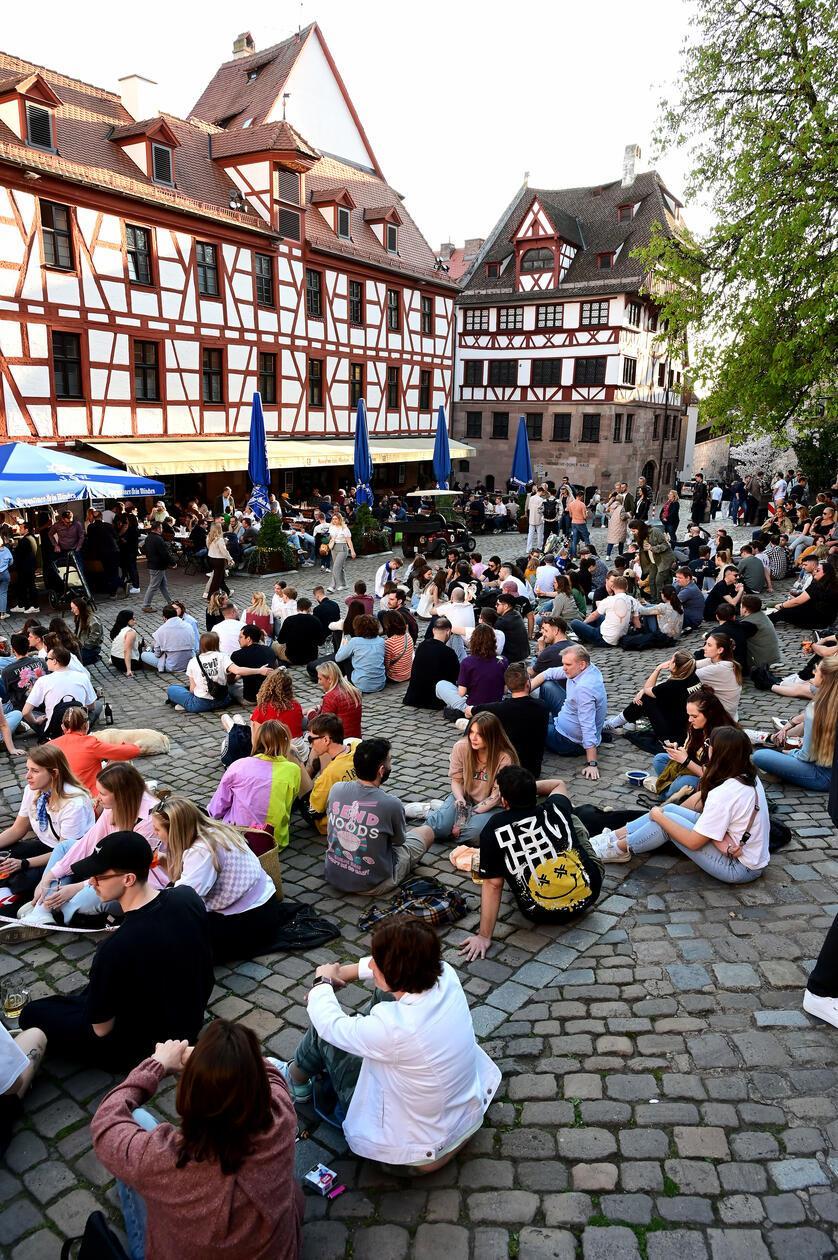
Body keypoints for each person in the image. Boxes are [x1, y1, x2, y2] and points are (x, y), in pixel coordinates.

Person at [278, 918, 500, 1171]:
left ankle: (295, 1079)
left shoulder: (395, 1029)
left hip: (413, 1157)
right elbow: (384, 970)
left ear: (395, 972)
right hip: (464, 1122)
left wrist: (321, 985)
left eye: (377, 963)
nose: (371, 965)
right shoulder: (443, 973)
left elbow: (329, 1025)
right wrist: (344, 973)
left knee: (325, 1033)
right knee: (382, 998)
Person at [92, 1021, 303, 1260]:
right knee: (292, 1188)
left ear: (189, 1094)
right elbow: (269, 1073)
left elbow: (106, 1122)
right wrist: (221, 1061)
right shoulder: (281, 1115)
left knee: (136, 1117)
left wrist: (157, 1065)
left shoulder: (163, 1159)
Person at [20, 832, 213, 1069]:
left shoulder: (115, 948)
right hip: (189, 1019)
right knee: (87, 995)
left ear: (128, 879)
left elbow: (101, 1030)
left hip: (146, 1045)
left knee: (32, 1013)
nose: (91, 881)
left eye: (99, 877)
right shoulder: (187, 896)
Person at [591, 728, 770, 884]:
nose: (705, 748)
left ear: (717, 753)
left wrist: (657, 815)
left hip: (739, 867)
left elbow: (693, 843)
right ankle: (612, 837)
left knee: (664, 822)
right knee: (669, 810)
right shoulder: (749, 776)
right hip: (742, 850)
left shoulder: (724, 793)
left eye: (708, 745)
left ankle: (619, 849)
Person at [459, 769, 604, 960]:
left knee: (504, 861)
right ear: (533, 793)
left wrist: (484, 936)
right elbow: (558, 783)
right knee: (571, 818)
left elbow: (493, 885)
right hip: (589, 892)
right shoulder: (554, 807)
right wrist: (524, 788)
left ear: (504, 801)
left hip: (539, 911)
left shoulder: (494, 827)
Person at [25, 763, 163, 927]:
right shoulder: (113, 806)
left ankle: (49, 906)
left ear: (121, 795)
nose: (97, 797)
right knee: (65, 847)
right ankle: (44, 908)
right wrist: (48, 878)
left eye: (103, 793)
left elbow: (126, 870)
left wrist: (77, 887)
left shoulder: (148, 820)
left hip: (135, 881)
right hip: (108, 867)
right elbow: (88, 843)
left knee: (82, 900)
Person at [151, 796, 282, 960]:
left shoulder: (202, 851)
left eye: (157, 830)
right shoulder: (213, 830)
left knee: (177, 943)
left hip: (251, 920)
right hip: (264, 902)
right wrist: (164, 861)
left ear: (175, 830)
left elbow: (184, 899)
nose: (155, 835)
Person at [324, 737, 430, 893]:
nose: (390, 765)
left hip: (333, 874)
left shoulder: (336, 789)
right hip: (374, 883)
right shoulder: (391, 803)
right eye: (389, 761)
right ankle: (434, 814)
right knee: (427, 832)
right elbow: (399, 841)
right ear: (381, 770)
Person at [0, 746, 95, 903]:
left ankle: (14, 896)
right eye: (27, 769)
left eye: (35, 771)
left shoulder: (73, 803)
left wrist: (24, 863)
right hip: (45, 845)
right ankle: (10, 888)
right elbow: (18, 829)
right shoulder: (33, 790)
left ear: (54, 773)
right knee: (5, 856)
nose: (27, 776)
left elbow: (64, 852)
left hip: (69, 856)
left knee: (24, 878)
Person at [406, 713, 518, 843]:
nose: (473, 738)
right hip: (464, 798)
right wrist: (460, 801)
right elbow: (456, 780)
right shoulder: (461, 747)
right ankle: (433, 814)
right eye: (471, 732)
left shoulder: (504, 758)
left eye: (480, 734)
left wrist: (461, 821)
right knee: (439, 829)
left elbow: (495, 797)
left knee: (473, 835)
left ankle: (440, 813)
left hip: (492, 806)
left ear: (492, 736)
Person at [207, 721, 302, 849]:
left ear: (256, 741)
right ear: (286, 743)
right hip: (273, 842)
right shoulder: (293, 770)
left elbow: (217, 808)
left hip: (238, 839)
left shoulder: (239, 765)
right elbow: (289, 800)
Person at [752, 657, 838, 790]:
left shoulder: (816, 711)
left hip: (823, 775)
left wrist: (790, 752)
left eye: (817, 671)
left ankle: (779, 770)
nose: (813, 672)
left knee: (759, 756)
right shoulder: (829, 699)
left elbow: (806, 756)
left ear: (825, 679)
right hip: (828, 764)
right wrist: (795, 723)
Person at [649, 685, 738, 799]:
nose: (690, 719)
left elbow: (713, 775)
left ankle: (667, 794)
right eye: (689, 715)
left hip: (711, 779)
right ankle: (673, 789)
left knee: (684, 782)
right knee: (659, 759)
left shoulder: (722, 736)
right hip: (694, 766)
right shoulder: (696, 726)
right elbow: (691, 751)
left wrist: (685, 760)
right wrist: (679, 750)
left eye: (694, 716)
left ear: (709, 714)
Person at [529, 645, 607, 775]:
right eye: (563, 664)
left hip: (568, 741)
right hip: (566, 715)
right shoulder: (588, 668)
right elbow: (549, 673)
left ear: (582, 664)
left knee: (529, 724)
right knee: (547, 685)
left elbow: (587, 726)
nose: (564, 668)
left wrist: (592, 764)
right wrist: (526, 691)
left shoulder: (584, 690)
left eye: (568, 664)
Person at [604, 650, 696, 745]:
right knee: (651, 696)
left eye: (671, 660)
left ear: (675, 665)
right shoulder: (692, 677)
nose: (668, 661)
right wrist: (645, 690)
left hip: (672, 733)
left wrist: (658, 668)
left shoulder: (672, 686)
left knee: (645, 698)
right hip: (685, 725)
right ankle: (627, 721)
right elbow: (657, 689)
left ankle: (613, 724)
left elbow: (648, 689)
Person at [51, 707, 141, 794]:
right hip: (90, 799)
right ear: (86, 725)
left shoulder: (50, 745)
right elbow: (133, 751)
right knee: (119, 761)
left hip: (57, 800)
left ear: (63, 727)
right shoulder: (90, 743)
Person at [21, 644, 99, 736]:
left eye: (47, 659)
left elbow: (25, 712)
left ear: (54, 661)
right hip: (77, 722)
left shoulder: (43, 681)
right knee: (98, 705)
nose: (46, 661)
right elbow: (91, 706)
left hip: (54, 728)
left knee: (28, 713)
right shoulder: (82, 677)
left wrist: (35, 721)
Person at [435, 623, 507, 716]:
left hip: (473, 708)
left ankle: (464, 712)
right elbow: (505, 690)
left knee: (441, 685)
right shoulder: (503, 660)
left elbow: (461, 693)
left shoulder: (467, 662)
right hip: (495, 706)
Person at [306, 714, 359, 835]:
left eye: (311, 740)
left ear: (326, 740)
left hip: (332, 823)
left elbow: (315, 811)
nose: (310, 745)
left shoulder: (329, 774)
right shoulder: (357, 748)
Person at [403, 617, 460, 710]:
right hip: (435, 700)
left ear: (433, 630)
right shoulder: (449, 652)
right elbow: (456, 676)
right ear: (448, 631)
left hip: (414, 697)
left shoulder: (422, 646)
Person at [167, 632, 231, 713]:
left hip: (201, 704)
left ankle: (184, 704)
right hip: (223, 700)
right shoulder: (223, 656)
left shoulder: (193, 661)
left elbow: (192, 690)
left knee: (172, 689)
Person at [570, 574, 634, 647]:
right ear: (626, 588)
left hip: (603, 638)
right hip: (619, 637)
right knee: (599, 617)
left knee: (574, 623)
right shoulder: (631, 600)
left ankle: (581, 635)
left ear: (613, 587)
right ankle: (584, 632)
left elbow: (594, 614)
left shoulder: (609, 599)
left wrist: (583, 624)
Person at [771, 560, 838, 628]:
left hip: (818, 620)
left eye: (818, 570)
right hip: (827, 619)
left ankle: (766, 621)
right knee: (790, 607)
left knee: (785, 611)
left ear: (825, 573)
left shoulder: (818, 586)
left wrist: (782, 605)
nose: (815, 572)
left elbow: (797, 602)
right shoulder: (831, 584)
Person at [307, 661, 363, 738]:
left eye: (320, 679)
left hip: (340, 740)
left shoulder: (331, 697)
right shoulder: (353, 691)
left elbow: (321, 725)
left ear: (329, 679)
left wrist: (310, 712)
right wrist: (320, 707)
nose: (318, 682)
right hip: (356, 736)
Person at [251, 669, 304, 749]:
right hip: (298, 749)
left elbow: (257, 739)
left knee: (248, 721)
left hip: (274, 750)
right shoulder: (296, 705)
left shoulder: (262, 709)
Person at [695, 630, 742, 718]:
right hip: (729, 714)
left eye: (709, 645)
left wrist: (661, 667)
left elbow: (688, 674)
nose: (704, 648)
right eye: (705, 644)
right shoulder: (721, 661)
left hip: (723, 718)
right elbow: (691, 664)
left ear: (720, 650)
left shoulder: (720, 668)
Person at [335, 614, 386, 693]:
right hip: (380, 684)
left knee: (346, 658)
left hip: (360, 685)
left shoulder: (355, 641)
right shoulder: (381, 641)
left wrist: (343, 645)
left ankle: (344, 679)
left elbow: (338, 658)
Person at [227, 624, 276, 704]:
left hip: (251, 698)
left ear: (248, 639)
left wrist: (238, 676)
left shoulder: (237, 655)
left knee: (229, 686)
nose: (238, 640)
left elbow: (230, 680)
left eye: (241, 637)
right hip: (269, 696)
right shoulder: (269, 650)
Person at [140, 604, 195, 674]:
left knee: (144, 655)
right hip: (189, 663)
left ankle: (148, 649)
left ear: (164, 617)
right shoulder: (188, 626)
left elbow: (157, 654)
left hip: (172, 666)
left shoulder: (161, 631)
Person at [273, 597, 322, 667]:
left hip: (292, 657)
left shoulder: (289, 620)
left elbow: (281, 640)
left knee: (273, 644)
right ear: (309, 608)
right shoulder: (316, 620)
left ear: (297, 608)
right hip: (312, 657)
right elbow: (320, 642)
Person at [739, 594, 783, 671]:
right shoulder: (761, 616)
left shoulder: (749, 623)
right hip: (770, 656)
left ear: (745, 609)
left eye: (740, 606)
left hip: (760, 659)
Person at [140, 522, 175, 612]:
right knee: (153, 586)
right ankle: (146, 605)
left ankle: (170, 601)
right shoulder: (158, 539)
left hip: (153, 564)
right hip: (157, 565)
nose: (162, 529)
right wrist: (172, 562)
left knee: (163, 585)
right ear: (158, 528)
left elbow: (143, 549)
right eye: (161, 528)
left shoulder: (148, 538)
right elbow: (164, 553)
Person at [494, 593, 530, 662]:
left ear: (506, 606)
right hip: (524, 654)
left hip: (512, 658)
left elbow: (495, 643)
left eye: (498, 604)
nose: (495, 606)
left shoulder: (502, 621)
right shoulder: (517, 614)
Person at [381, 610, 414, 683]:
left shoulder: (389, 643)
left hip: (395, 677)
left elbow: (386, 665)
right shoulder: (407, 636)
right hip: (408, 674)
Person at [70, 595, 103, 666]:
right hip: (81, 645)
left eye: (73, 608)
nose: (72, 610)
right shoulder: (79, 617)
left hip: (90, 647)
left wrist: (84, 646)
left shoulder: (93, 620)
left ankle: (94, 657)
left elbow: (94, 638)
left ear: (79, 607)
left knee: (77, 661)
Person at [327, 511, 355, 592]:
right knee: (340, 567)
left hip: (342, 548)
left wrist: (352, 551)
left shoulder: (345, 529)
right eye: (333, 519)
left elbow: (349, 541)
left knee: (336, 567)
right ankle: (344, 584)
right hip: (334, 548)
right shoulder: (331, 527)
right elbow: (330, 537)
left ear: (340, 519)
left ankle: (332, 586)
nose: (334, 520)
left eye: (336, 519)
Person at [109, 610, 142, 676]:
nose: (135, 620)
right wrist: (129, 670)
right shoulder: (130, 632)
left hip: (115, 659)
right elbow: (127, 650)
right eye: (132, 619)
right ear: (127, 620)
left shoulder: (117, 629)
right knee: (146, 655)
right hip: (124, 663)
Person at [526, 486, 545, 551]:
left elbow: (529, 508)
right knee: (540, 534)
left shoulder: (531, 498)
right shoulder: (541, 499)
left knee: (530, 534)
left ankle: (528, 549)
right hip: (539, 519)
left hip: (531, 518)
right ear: (541, 491)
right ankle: (539, 547)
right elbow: (541, 510)